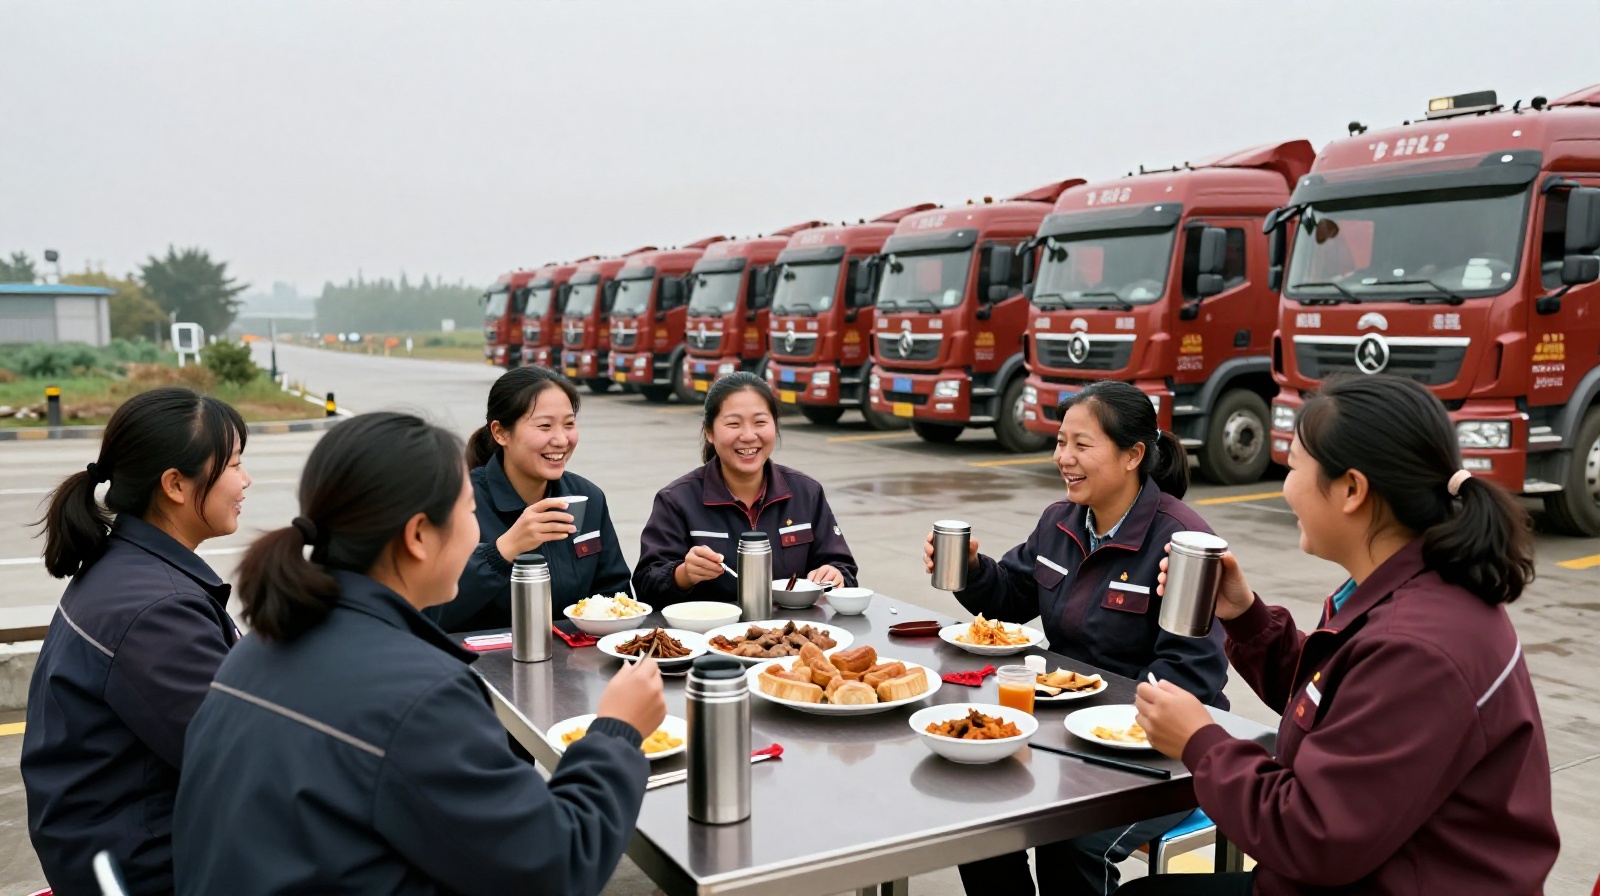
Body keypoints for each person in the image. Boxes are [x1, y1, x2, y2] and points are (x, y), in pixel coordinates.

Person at [172, 412, 665, 894]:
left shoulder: (262, 644)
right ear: (418, 535)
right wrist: (617, 733)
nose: (477, 531)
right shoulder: (420, 697)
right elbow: (557, 865)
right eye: (470, 513)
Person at [1126, 374, 1559, 895]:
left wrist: (1200, 740)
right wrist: (1244, 615)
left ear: (1351, 490)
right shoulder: (1408, 590)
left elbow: (1312, 834)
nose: (1285, 487)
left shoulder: (1420, 648)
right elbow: (1341, 704)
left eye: (1294, 469)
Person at [925, 380, 1228, 896]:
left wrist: (1108, 715)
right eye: (1061, 442)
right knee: (976, 816)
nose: (1064, 458)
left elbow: (1193, 673)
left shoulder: (1180, 541)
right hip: (1064, 736)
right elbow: (1012, 596)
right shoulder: (1061, 521)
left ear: (1134, 454)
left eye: (1081, 445)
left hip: (1155, 752)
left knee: (1071, 839)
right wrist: (972, 570)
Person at [22, 387, 250, 896]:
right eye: (234, 464)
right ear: (174, 484)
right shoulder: (157, 611)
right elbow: (243, 758)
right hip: (146, 871)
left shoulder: (131, 568)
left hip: (118, 851)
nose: (245, 480)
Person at [427, 366, 631, 632]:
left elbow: (616, 594)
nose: (561, 439)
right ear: (501, 433)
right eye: (545, 426)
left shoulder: (588, 497)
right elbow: (430, 612)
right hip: (482, 666)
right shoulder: (459, 501)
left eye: (569, 424)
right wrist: (502, 551)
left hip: (575, 664)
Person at [635, 372, 856, 606]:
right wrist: (683, 575)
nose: (749, 436)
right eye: (733, 424)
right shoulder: (677, 500)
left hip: (792, 638)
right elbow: (645, 585)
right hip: (711, 637)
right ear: (709, 431)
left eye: (760, 422)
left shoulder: (806, 493)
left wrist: (835, 575)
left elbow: (845, 570)